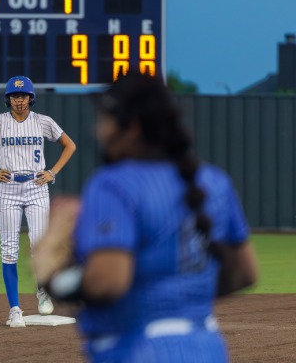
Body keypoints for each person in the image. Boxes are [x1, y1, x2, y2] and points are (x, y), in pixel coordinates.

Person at [33, 72, 258, 361]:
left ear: (133, 127)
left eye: (105, 120)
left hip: (137, 350)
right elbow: (245, 273)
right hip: (207, 348)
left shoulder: (113, 184)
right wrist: (178, 295)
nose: (98, 130)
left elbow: (108, 281)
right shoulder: (214, 181)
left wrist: (54, 277)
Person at [0, 76, 77, 328]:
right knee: (9, 249)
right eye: (15, 96)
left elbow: (69, 145)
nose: (19, 100)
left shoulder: (43, 121)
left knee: (39, 246)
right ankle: (15, 309)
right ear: (8, 99)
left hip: (37, 187)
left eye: (24, 95)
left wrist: (53, 172)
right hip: (9, 188)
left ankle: (43, 291)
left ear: (30, 98)